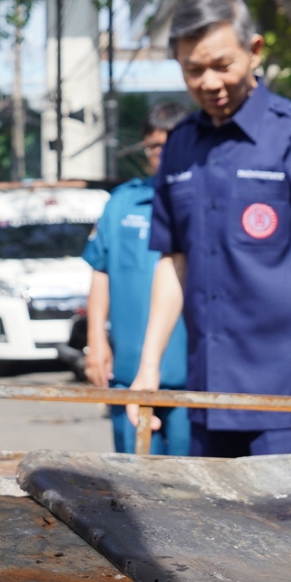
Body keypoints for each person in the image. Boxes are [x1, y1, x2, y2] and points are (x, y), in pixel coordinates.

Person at [129, 0, 291, 455]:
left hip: (288, 401)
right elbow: (174, 261)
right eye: (193, 70)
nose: (209, 82)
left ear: (254, 51)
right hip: (206, 397)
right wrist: (148, 366)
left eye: (222, 65)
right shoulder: (179, 146)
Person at [83, 101, 192, 454]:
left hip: (192, 375)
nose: (162, 154)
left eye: (171, 144)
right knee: (133, 477)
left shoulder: (204, 203)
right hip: (130, 373)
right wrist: (96, 341)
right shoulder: (122, 203)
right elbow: (101, 271)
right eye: (153, 146)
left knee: (197, 477)